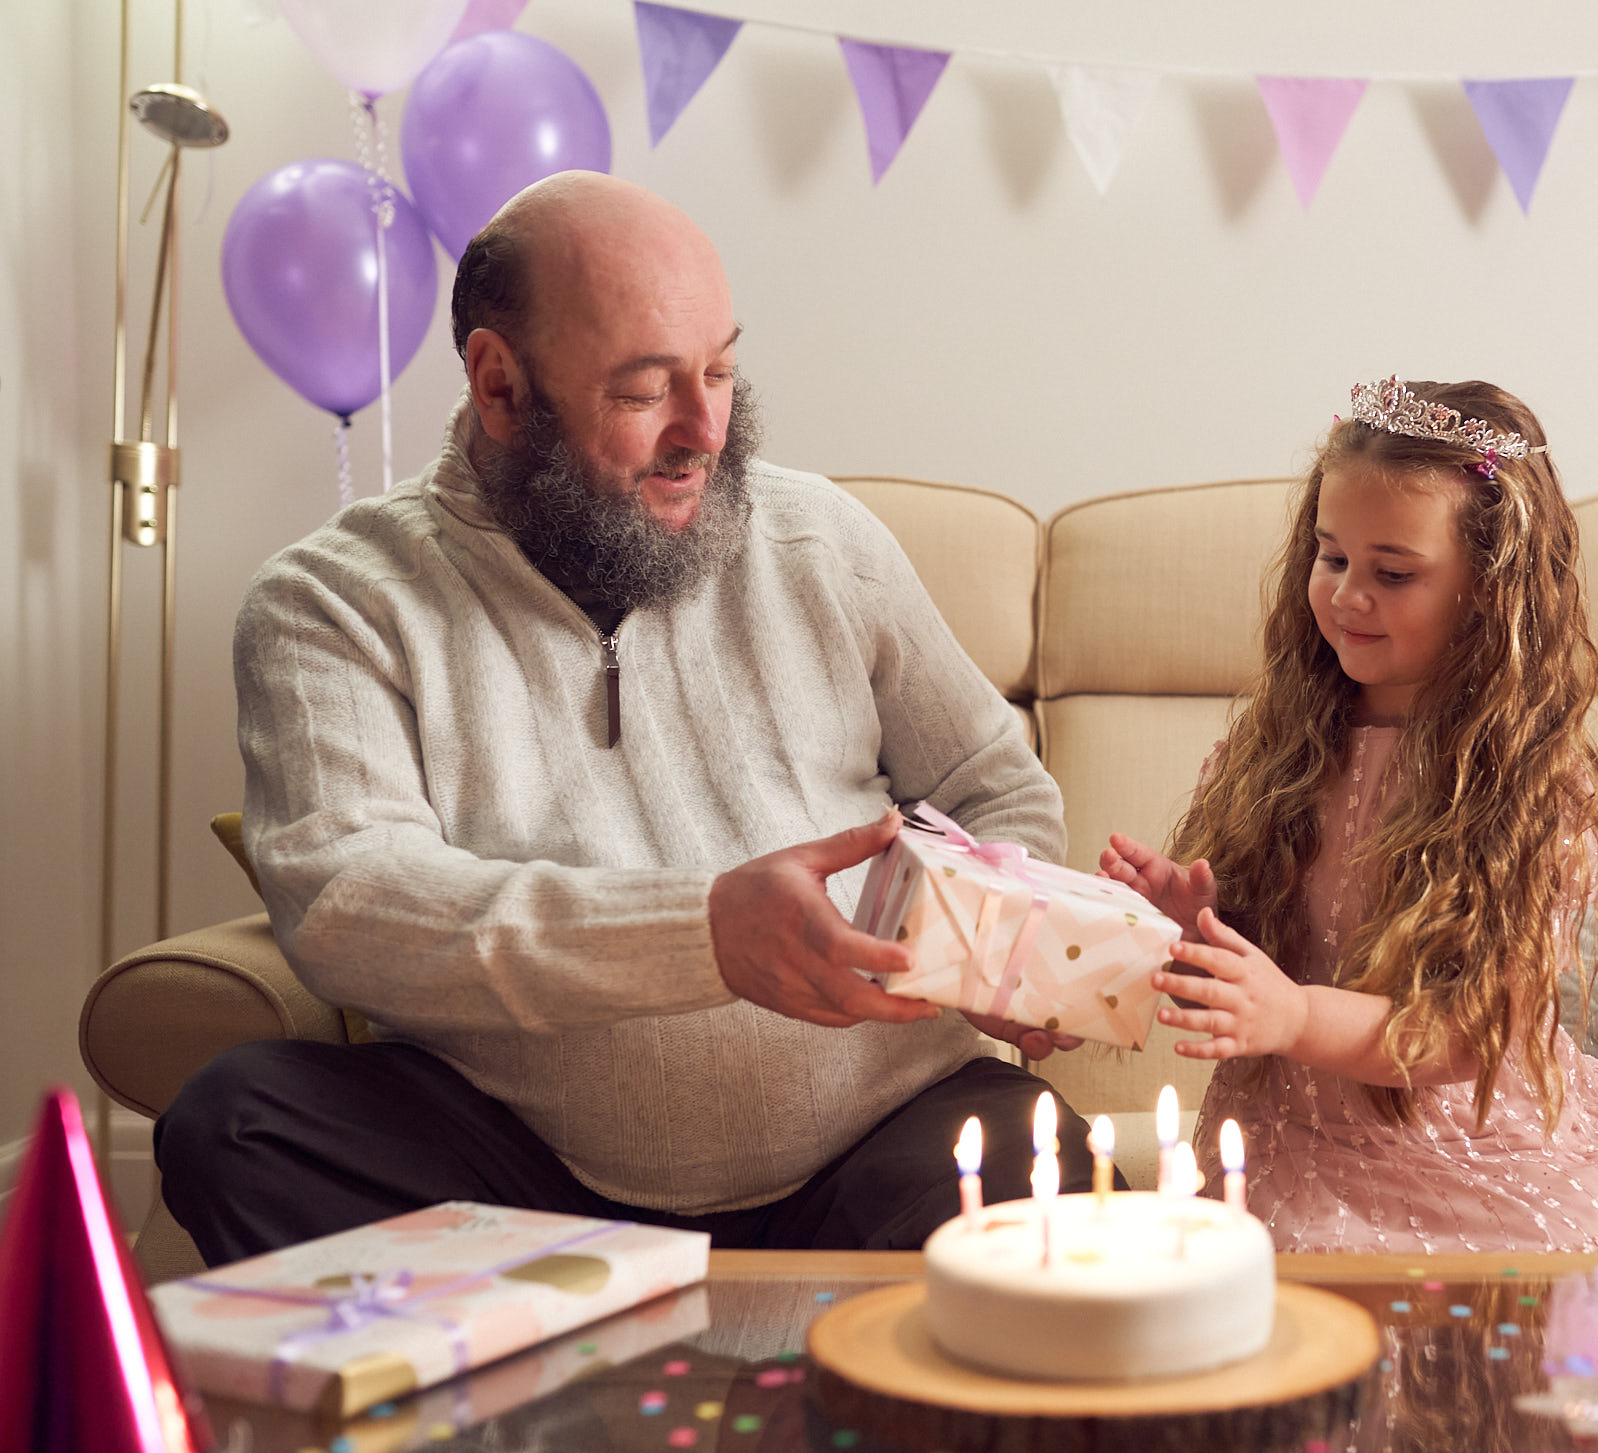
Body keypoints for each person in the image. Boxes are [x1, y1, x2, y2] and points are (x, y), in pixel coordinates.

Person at [157, 172, 1097, 1265]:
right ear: (500, 387)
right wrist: (702, 934)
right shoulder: (331, 600)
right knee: (236, 1123)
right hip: (522, 1178)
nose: (704, 428)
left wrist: (1003, 952)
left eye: (720, 370)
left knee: (1052, 1168)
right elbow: (348, 903)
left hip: (873, 1143)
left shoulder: (820, 539)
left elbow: (994, 783)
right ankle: (549, 1403)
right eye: (646, 389)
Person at [1100, 377, 1598, 1253]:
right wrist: (1191, 923)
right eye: (1331, 557)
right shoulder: (1279, 742)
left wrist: (1295, 1017)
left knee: (1510, 1285)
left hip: (1468, 1148)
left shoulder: (1527, 789)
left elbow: (1474, 1031)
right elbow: (1269, 961)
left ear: (1492, 587)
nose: (1349, 595)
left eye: (1394, 572)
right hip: (1294, 1140)